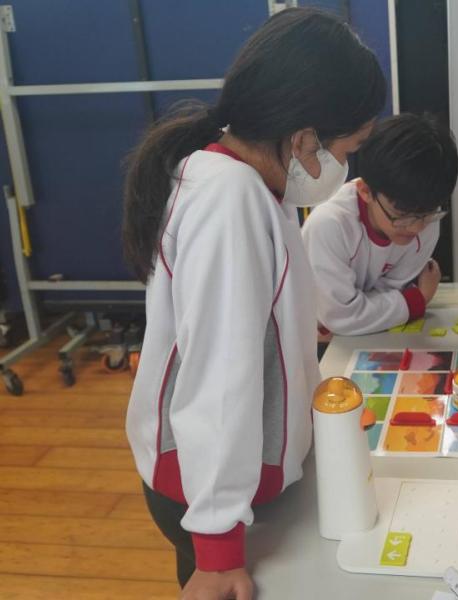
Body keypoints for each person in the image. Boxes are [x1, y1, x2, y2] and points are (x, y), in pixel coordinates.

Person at [122, 9, 385, 598]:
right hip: (210, 498)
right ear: (305, 139)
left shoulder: (250, 184)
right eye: (351, 147)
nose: (349, 165)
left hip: (231, 483)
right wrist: (217, 548)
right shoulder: (229, 197)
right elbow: (219, 375)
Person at [302, 113, 458, 336]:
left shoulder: (427, 220)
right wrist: (418, 299)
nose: (416, 228)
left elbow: (387, 295)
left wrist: (369, 312)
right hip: (314, 339)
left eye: (427, 214)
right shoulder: (329, 225)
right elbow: (340, 317)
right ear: (366, 191)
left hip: (364, 338)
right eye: (401, 215)